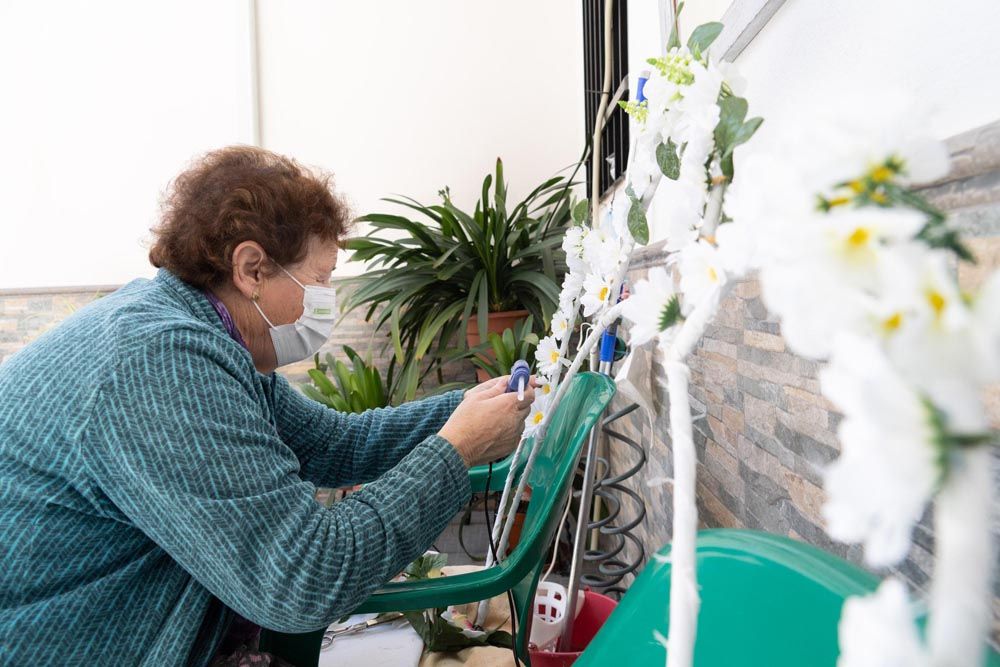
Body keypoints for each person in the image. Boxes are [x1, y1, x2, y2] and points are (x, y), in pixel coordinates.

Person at [0, 146, 534, 665]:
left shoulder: (205, 335)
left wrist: (462, 408)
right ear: (251, 268)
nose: (327, 299)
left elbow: (336, 443)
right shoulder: (161, 362)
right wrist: (458, 447)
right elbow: (303, 577)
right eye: (321, 280)